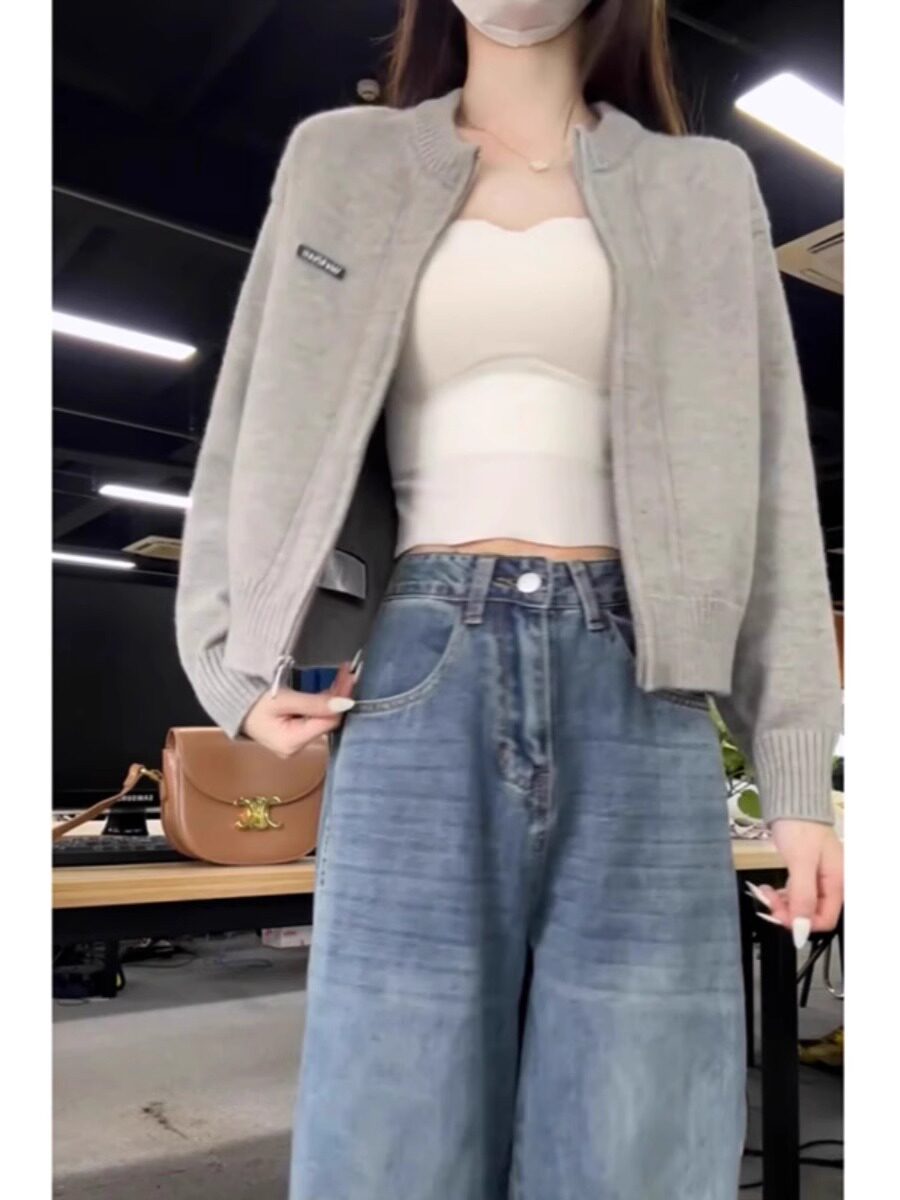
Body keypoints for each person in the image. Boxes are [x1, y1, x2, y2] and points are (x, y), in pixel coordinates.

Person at [175, 1, 845, 1196]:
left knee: (637, 1123)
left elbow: (771, 481)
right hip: (417, 666)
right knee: (390, 1116)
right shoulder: (343, 162)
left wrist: (795, 773)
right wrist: (232, 653)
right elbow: (252, 416)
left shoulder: (703, 188)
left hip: (644, 679)